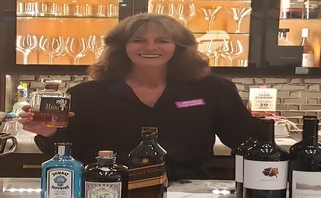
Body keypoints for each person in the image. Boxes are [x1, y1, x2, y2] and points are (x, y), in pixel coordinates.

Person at [19, 13, 257, 180]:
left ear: (179, 47)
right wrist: (49, 133)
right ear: (122, 47)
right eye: (138, 41)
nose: (150, 47)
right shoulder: (87, 94)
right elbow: (71, 152)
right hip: (109, 187)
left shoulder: (213, 90)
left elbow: (248, 141)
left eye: (162, 41)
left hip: (187, 192)